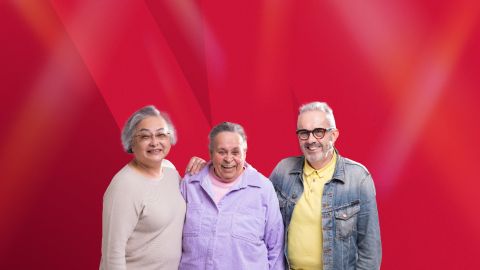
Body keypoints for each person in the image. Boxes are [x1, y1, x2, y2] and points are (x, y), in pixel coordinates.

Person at [269, 101, 382, 270]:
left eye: (319, 132)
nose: (311, 140)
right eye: (304, 133)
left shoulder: (358, 178)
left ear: (334, 135)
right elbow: (261, 223)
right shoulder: (283, 171)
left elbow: (370, 251)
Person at [179, 122, 285, 270]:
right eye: (222, 152)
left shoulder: (263, 188)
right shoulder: (190, 184)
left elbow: (276, 249)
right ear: (210, 153)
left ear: (245, 153)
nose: (228, 159)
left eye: (235, 152)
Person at [100, 105, 186, 270]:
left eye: (161, 134)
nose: (155, 142)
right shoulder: (124, 186)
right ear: (131, 142)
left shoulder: (170, 171)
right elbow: (113, 254)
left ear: (170, 138)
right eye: (145, 136)